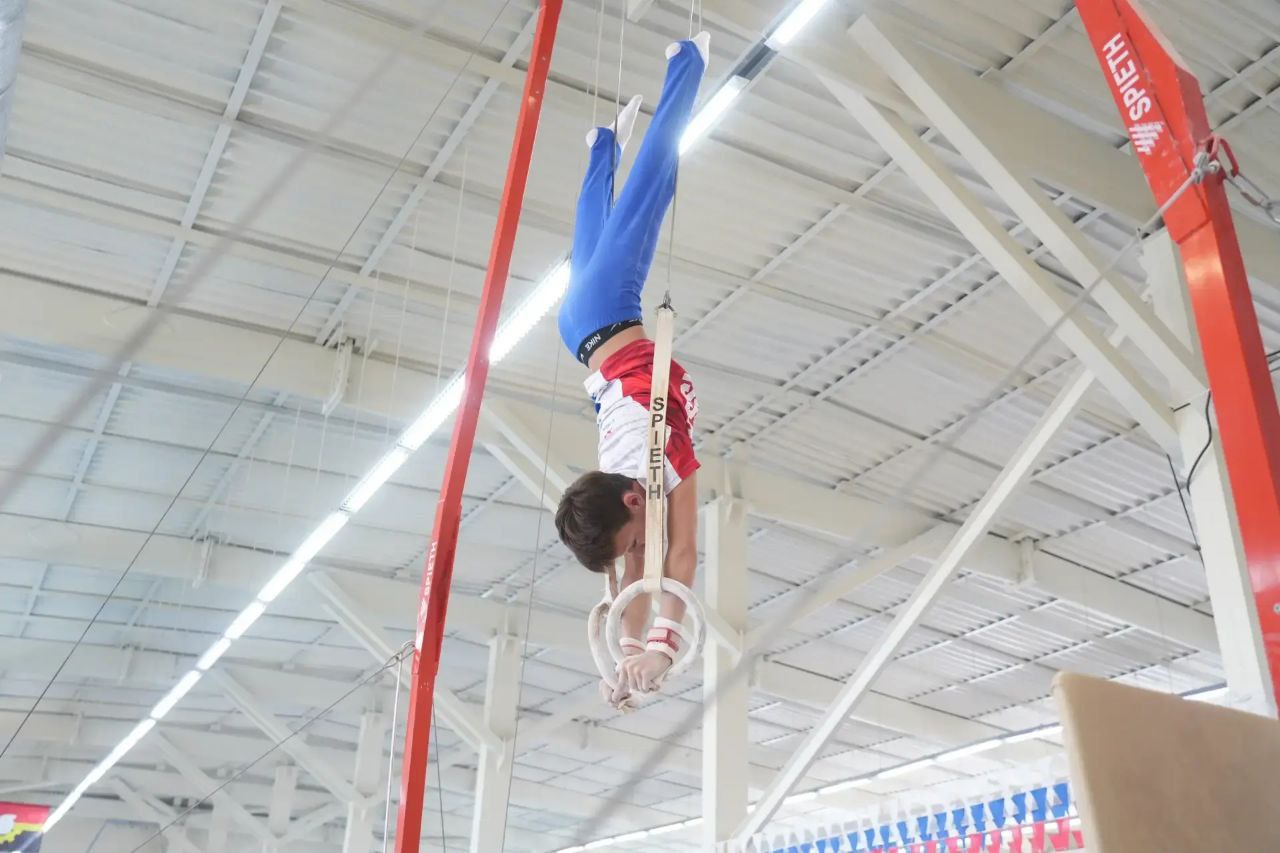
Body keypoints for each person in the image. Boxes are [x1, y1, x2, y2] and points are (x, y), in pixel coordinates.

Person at [554, 32, 710, 707]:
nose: (639, 547)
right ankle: (600, 149)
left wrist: (662, 647)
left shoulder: (664, 462)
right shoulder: (618, 489)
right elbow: (636, 577)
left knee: (653, 185)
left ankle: (688, 65)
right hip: (578, 331)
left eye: (632, 537)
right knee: (593, 233)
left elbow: (680, 558)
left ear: (631, 502)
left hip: (610, 311)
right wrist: (626, 661)